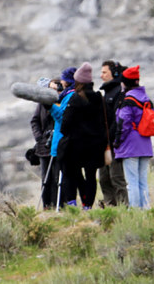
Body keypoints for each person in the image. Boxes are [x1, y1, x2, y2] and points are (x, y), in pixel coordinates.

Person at [57, 62, 107, 208]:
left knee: (71, 174)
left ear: (78, 82)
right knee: (91, 177)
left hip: (76, 147)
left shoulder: (75, 99)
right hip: (95, 147)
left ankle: (72, 203)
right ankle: (88, 206)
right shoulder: (99, 97)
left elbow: (65, 124)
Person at [115, 65, 153, 208]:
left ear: (125, 82)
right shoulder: (146, 99)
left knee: (132, 181)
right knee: (143, 181)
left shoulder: (128, 100)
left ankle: (135, 212)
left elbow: (123, 123)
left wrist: (117, 142)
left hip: (130, 145)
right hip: (145, 144)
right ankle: (147, 210)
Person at [98, 60, 128, 206]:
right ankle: (110, 208)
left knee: (116, 178)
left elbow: (118, 120)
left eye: (104, 72)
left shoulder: (118, 92)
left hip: (114, 144)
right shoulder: (107, 92)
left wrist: (109, 139)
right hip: (104, 143)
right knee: (104, 178)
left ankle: (124, 209)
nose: (101, 75)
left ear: (114, 73)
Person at [31, 77, 62, 208]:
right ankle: (47, 206)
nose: (54, 92)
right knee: (46, 179)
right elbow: (35, 121)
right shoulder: (42, 104)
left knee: (57, 178)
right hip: (44, 146)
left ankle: (58, 205)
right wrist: (39, 137)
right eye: (51, 89)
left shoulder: (63, 103)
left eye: (56, 89)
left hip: (59, 145)